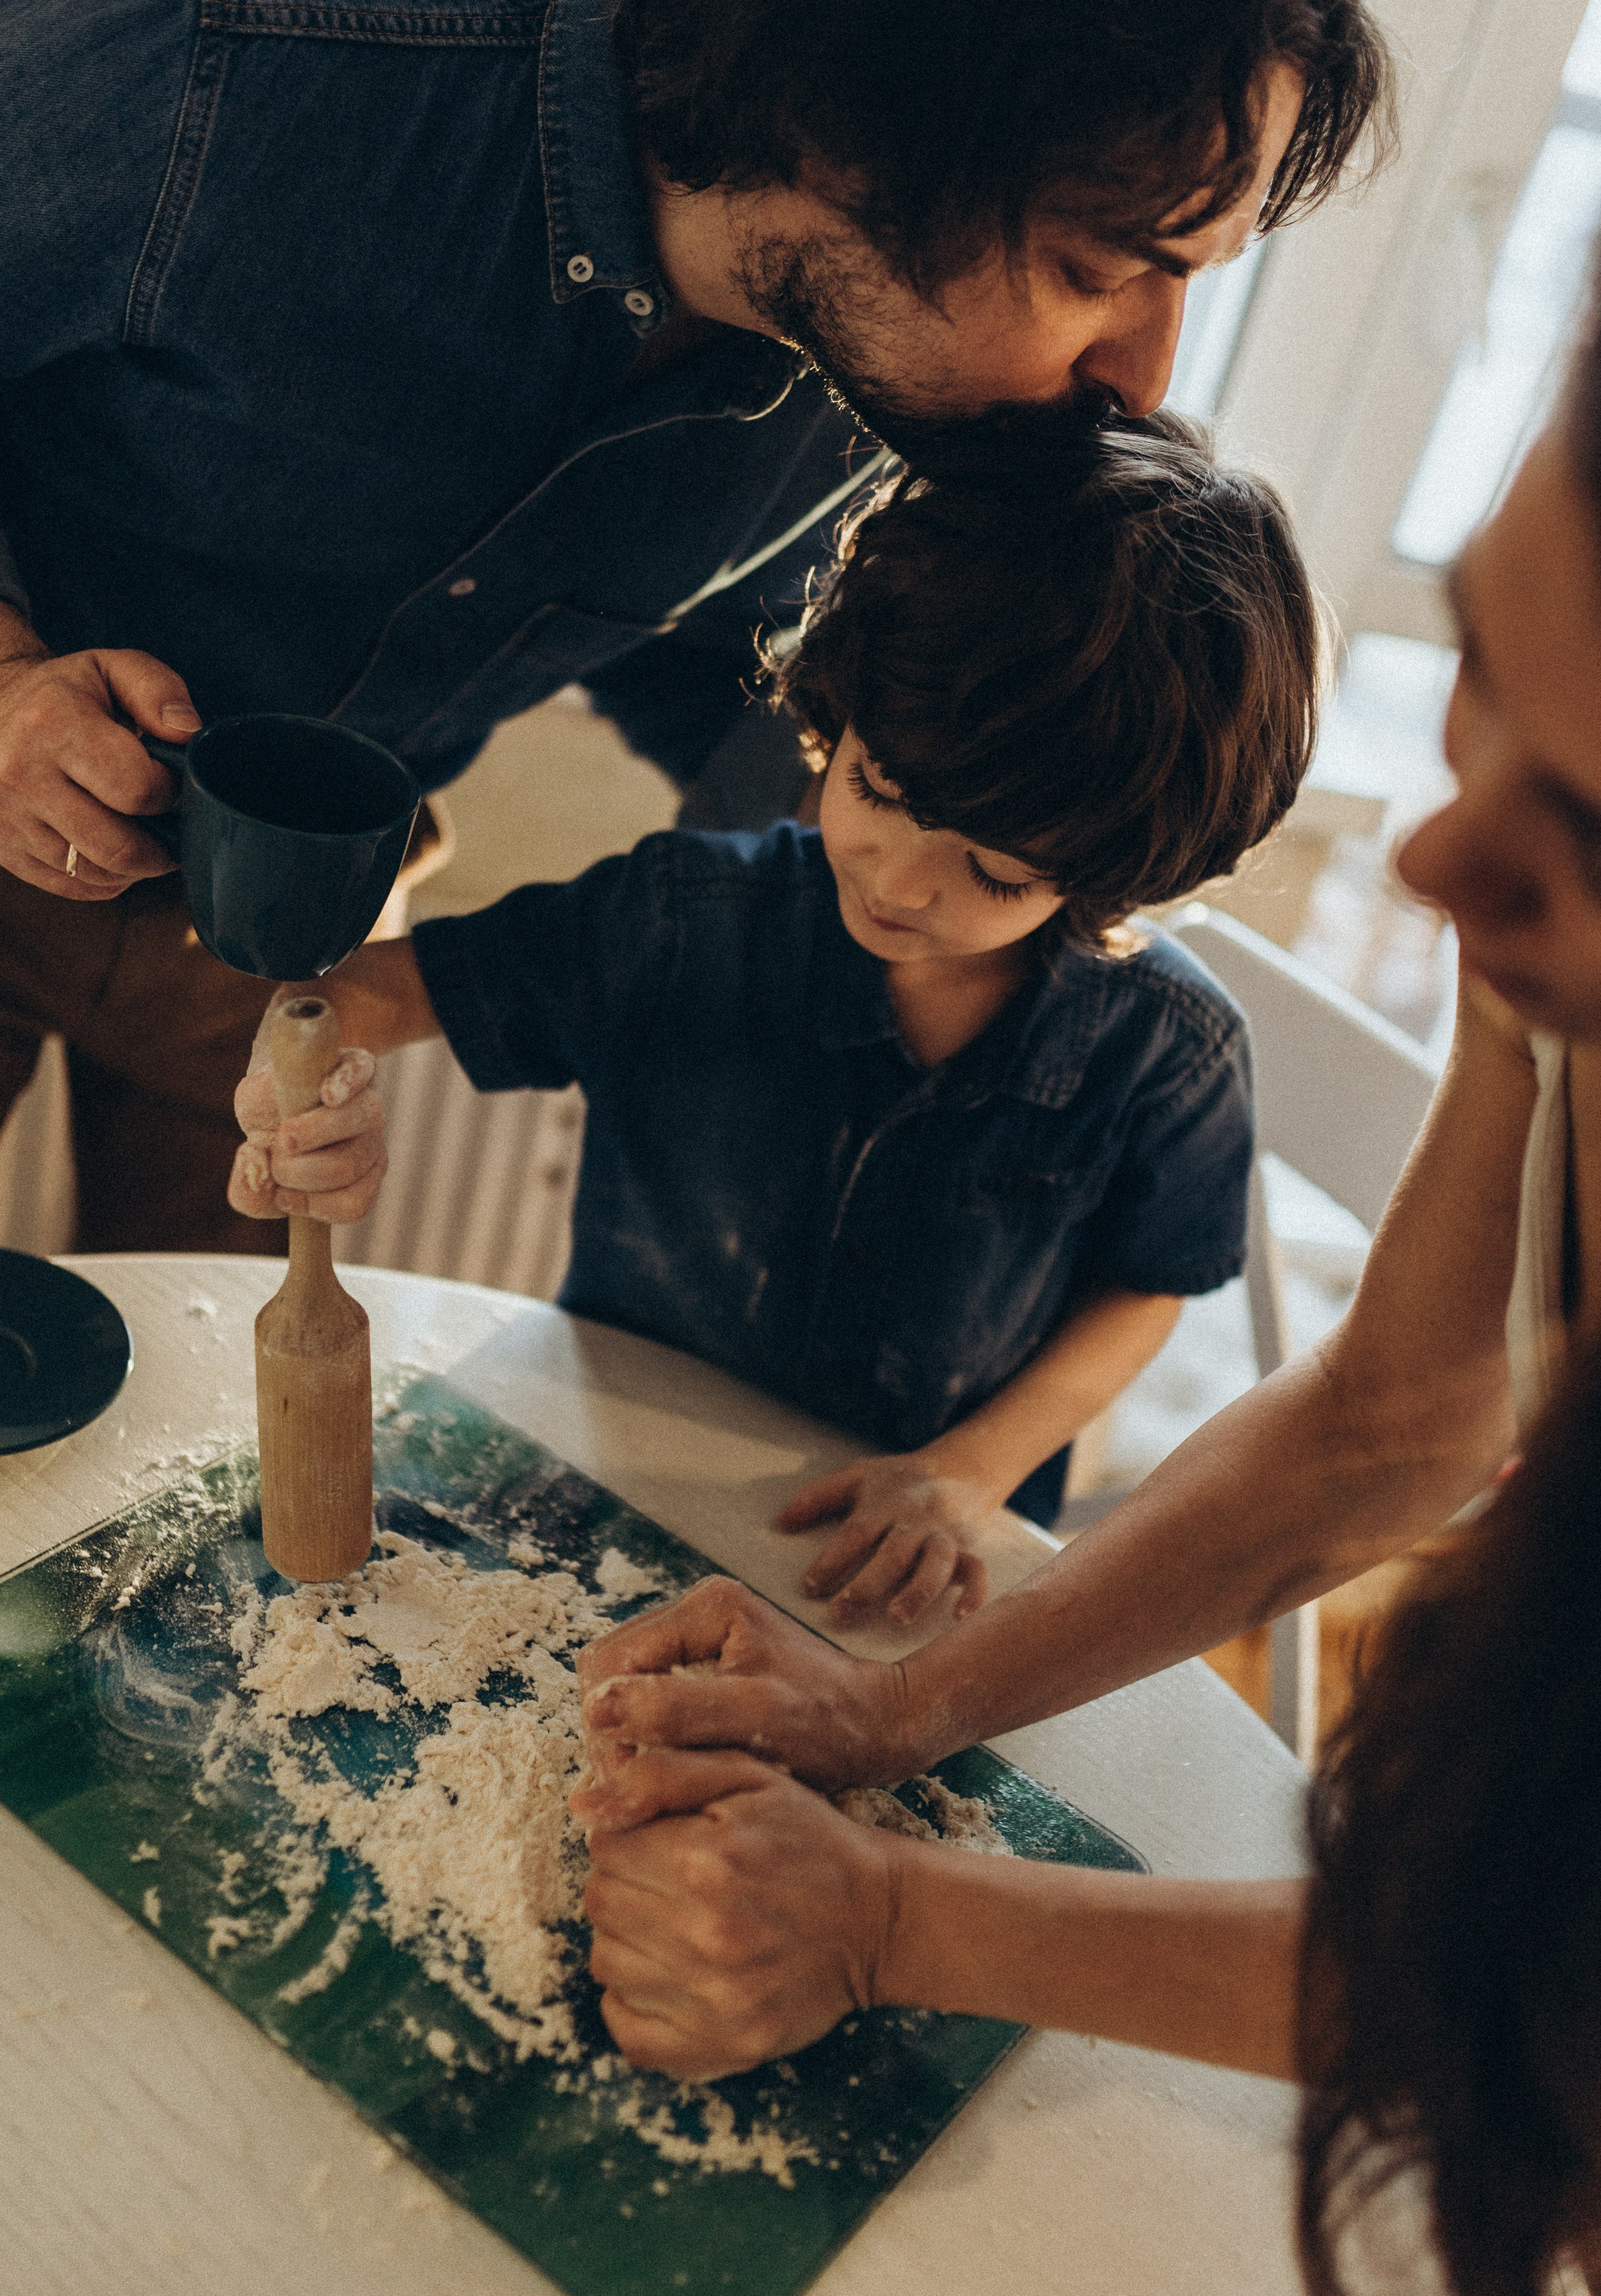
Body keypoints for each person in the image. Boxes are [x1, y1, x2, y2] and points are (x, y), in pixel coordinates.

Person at [559, 269, 1601, 2296]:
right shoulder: (1528, 951)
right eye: (1482, 670)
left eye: (1588, 831)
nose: (1435, 855)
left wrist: (896, 1918)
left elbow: (1542, 2003)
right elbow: (1391, 1426)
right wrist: (885, 1717)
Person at [0, 0, 1386, 1253]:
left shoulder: (891, 369)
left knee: (190, 1445)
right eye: (1089, 266)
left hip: (288, 940)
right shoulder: (226, 26)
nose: (1142, 378)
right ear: (859, 116)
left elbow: (721, 664)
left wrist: (943, 879)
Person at [229, 413, 1322, 1618]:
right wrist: (313, 1087)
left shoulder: (1171, 1054)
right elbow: (362, 997)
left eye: (997, 873)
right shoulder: (688, 916)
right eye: (880, 791)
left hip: (902, 1558)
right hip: (596, 1477)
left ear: (1112, 872)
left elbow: (1146, 1288)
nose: (902, 883)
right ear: (837, 711)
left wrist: (973, 1473)